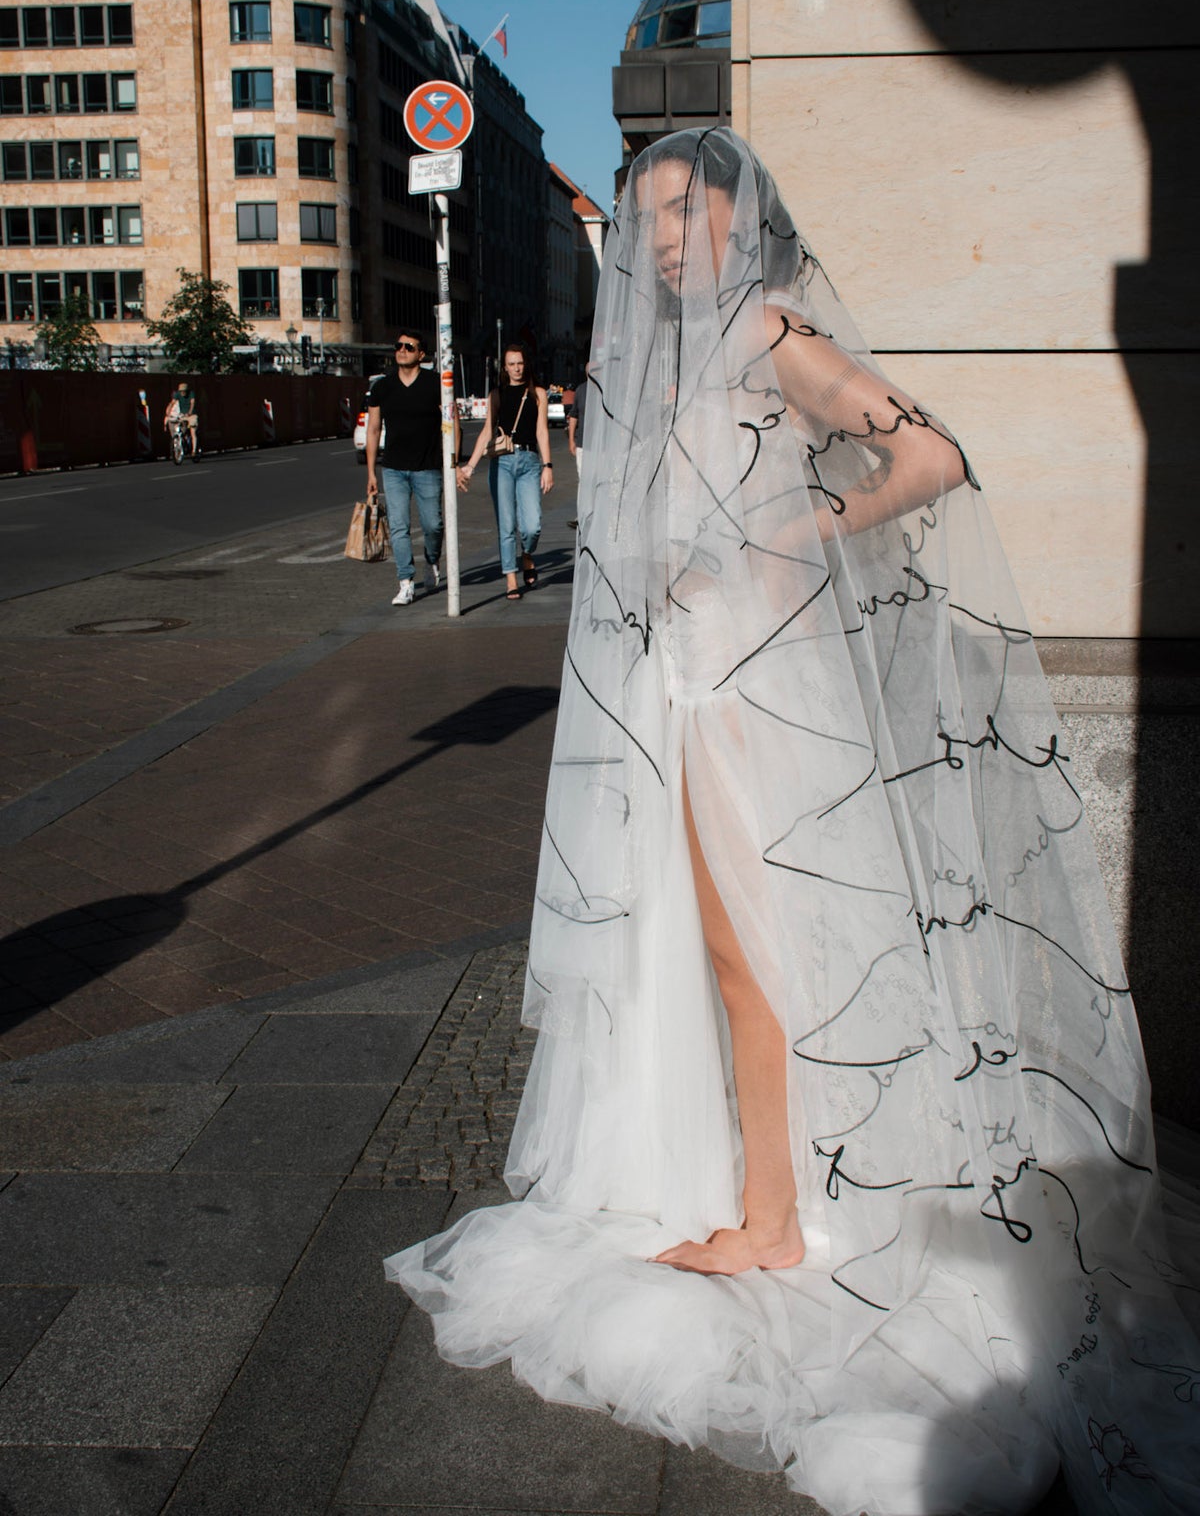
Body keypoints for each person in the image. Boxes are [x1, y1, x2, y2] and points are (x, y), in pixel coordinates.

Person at [387, 130, 1198, 1514]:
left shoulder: (771, 327)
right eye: (641, 219)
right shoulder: (679, 353)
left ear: (738, 214)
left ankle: (774, 1222)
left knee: (761, 959)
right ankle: (785, 1190)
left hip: (763, 693)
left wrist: (793, 536)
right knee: (731, 956)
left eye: (680, 210)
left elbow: (930, 454)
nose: (656, 239)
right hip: (688, 691)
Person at [365, 331, 458, 607]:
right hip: (393, 468)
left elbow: (451, 422)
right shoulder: (383, 386)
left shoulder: (435, 384)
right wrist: (371, 471)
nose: (402, 350)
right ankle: (406, 582)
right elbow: (372, 429)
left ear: (421, 354)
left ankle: (432, 561)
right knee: (399, 527)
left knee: (433, 524)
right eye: (399, 346)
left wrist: (452, 461)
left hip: (428, 468)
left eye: (409, 346)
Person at [456, 343, 553, 601]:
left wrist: (548, 465)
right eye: (511, 364)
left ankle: (528, 554)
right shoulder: (496, 394)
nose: (516, 368)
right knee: (506, 524)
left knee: (532, 525)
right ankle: (510, 577)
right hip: (502, 463)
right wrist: (470, 465)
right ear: (505, 367)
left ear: (526, 364)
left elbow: (542, 430)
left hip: (530, 461)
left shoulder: (538, 393)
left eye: (520, 363)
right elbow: (488, 431)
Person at [163, 382, 198, 455]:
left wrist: (190, 412)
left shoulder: (191, 393)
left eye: (184, 391)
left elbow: (192, 403)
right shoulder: (177, 394)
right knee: (180, 429)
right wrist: (168, 412)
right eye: (181, 391)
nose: (182, 393)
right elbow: (172, 403)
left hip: (191, 415)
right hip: (182, 415)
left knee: (193, 432)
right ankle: (181, 443)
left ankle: (194, 450)